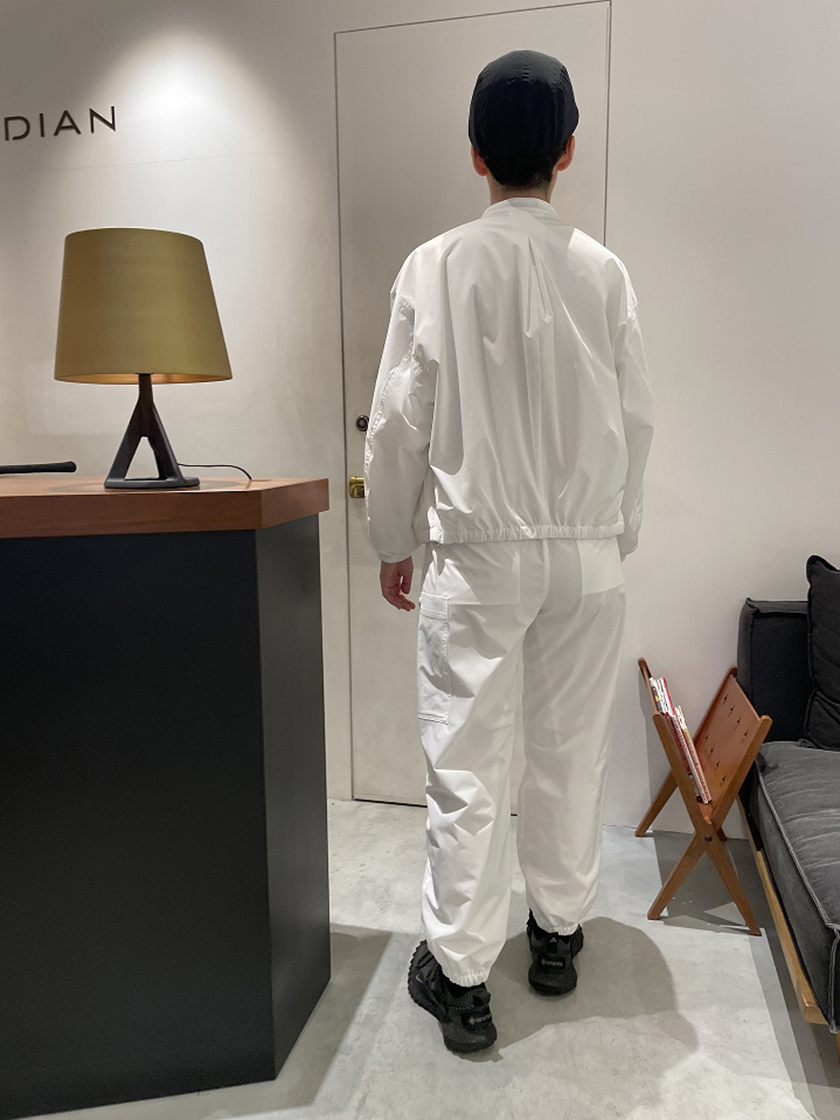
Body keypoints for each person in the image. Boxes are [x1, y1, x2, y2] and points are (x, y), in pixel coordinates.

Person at [363, 49, 654, 1053]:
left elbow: (398, 422)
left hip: (477, 552)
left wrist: (393, 537)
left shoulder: (435, 266)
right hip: (585, 555)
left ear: (475, 152)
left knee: (468, 764)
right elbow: (637, 418)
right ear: (568, 151)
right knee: (570, 751)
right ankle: (557, 935)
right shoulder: (605, 272)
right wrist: (616, 533)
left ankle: (463, 982)